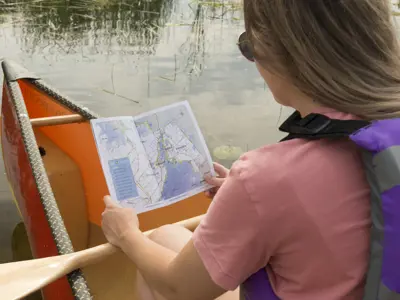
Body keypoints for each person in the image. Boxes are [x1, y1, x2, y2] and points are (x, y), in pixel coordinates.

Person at [101, 1, 400, 299]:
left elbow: (179, 288)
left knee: (154, 271)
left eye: (249, 47)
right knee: (165, 236)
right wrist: (249, 195)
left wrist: (126, 235)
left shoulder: (268, 177)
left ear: (286, 53)